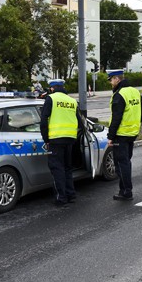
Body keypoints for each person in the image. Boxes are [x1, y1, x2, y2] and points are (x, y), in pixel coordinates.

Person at [40, 79, 83, 208]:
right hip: (70, 139)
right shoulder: (71, 101)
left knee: (57, 168)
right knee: (67, 168)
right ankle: (71, 195)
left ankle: (61, 197)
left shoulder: (51, 99)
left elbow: (43, 121)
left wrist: (46, 139)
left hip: (55, 139)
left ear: (52, 88)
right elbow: (80, 123)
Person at [107, 69, 142, 201]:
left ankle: (127, 191)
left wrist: (110, 136)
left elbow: (116, 118)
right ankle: (122, 189)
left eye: (111, 80)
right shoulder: (135, 91)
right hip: (132, 133)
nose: (110, 83)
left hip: (121, 134)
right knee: (126, 161)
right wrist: (136, 122)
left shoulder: (119, 95)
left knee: (120, 164)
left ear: (117, 79)